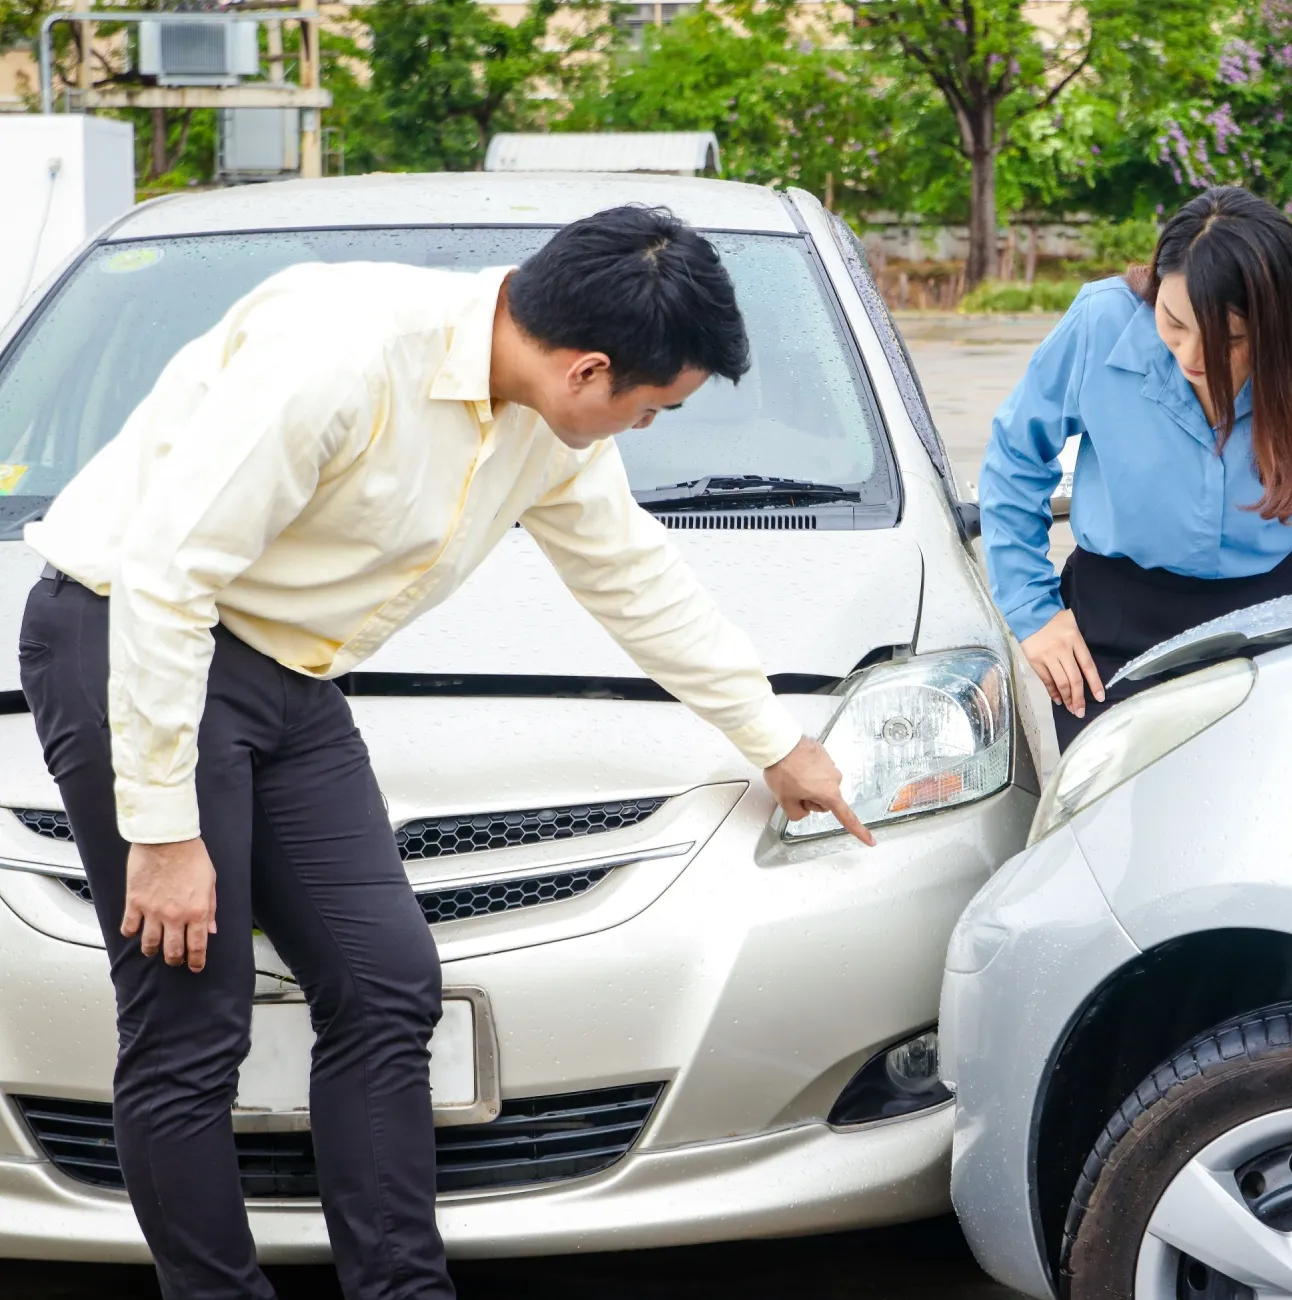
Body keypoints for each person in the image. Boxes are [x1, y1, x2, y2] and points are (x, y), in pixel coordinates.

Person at [17, 205, 870, 1300]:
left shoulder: (549, 425)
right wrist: (166, 828)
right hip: (125, 639)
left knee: (385, 981)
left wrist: (777, 740)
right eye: (650, 410)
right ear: (589, 369)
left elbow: (631, 577)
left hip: (287, 674)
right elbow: (166, 578)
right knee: (192, 1014)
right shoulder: (341, 355)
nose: (640, 431)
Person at [980, 187, 1292, 748]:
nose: (1192, 356)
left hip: (1271, 613)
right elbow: (1015, 457)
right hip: (1112, 618)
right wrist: (1033, 610)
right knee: (1110, 814)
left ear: (1279, 326)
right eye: (1173, 322)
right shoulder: (1100, 321)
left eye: (1232, 340)